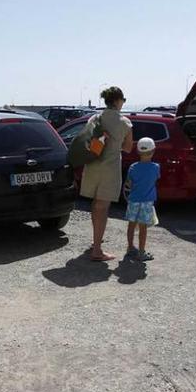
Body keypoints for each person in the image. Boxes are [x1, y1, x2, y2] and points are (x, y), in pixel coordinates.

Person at [81, 86, 133, 261]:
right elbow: (127, 148)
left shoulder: (95, 118)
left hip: (92, 165)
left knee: (96, 205)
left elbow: (86, 139)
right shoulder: (125, 122)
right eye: (123, 100)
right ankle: (97, 250)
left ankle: (96, 241)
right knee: (102, 207)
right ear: (118, 100)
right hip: (109, 168)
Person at [124, 137, 160, 261]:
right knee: (143, 228)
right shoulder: (155, 167)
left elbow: (129, 183)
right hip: (147, 202)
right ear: (153, 151)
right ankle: (141, 252)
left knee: (131, 225)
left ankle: (130, 248)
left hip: (133, 200)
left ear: (138, 152)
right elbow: (156, 179)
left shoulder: (133, 167)